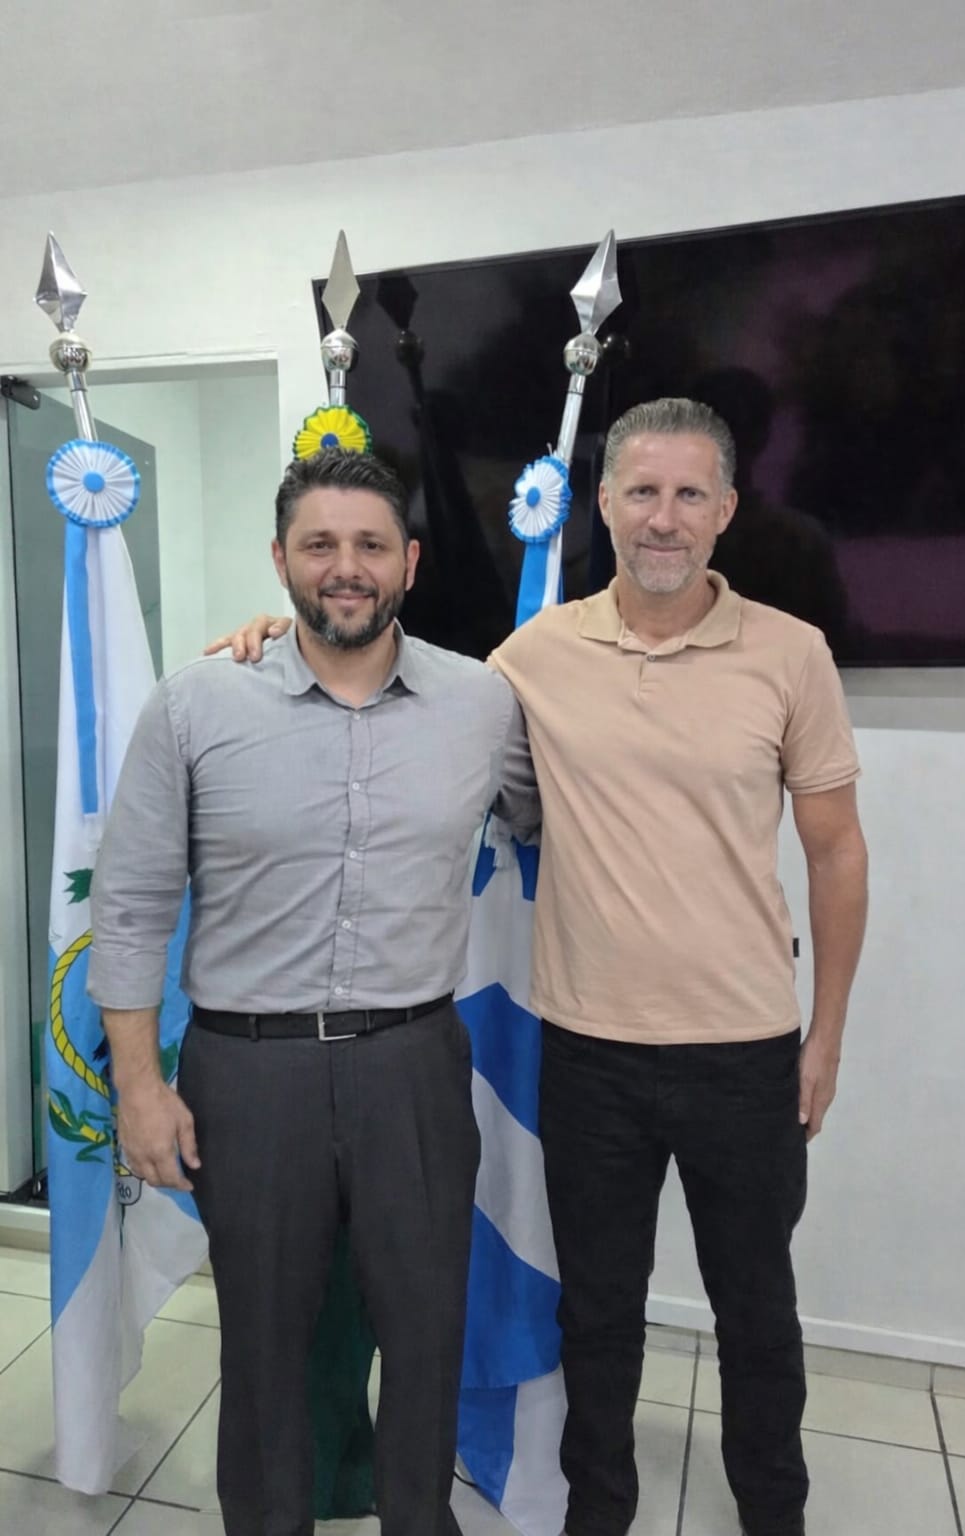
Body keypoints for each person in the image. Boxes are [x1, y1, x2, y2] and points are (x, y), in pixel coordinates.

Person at [223, 398, 869, 1536]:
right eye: (641, 491)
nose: (663, 517)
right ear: (602, 505)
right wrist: (274, 640)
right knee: (600, 1318)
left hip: (745, 1052)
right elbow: (387, 668)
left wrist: (825, 1036)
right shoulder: (533, 658)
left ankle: (776, 1510)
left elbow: (836, 852)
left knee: (757, 1313)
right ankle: (597, 1517)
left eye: (688, 494)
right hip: (589, 1055)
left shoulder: (791, 653)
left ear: (725, 509)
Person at [87, 447, 538, 1536]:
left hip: (411, 1067)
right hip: (249, 1076)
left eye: (370, 545)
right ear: (280, 559)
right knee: (265, 1351)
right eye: (320, 544)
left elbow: (546, 817)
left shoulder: (484, 704)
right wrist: (140, 1087)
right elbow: (132, 903)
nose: (346, 567)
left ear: (410, 563)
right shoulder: (196, 705)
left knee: (424, 1335)